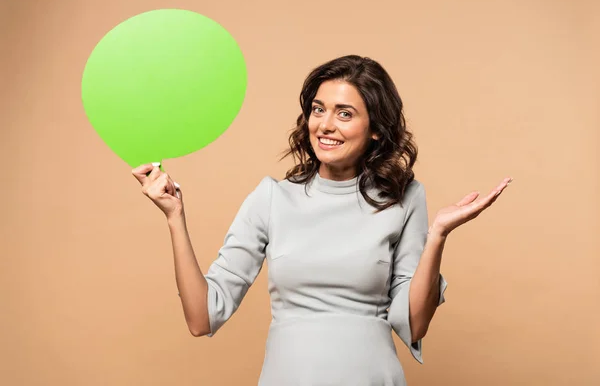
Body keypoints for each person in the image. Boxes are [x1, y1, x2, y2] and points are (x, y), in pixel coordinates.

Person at [131, 55, 512, 385]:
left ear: (376, 130)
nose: (325, 125)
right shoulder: (272, 198)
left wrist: (438, 236)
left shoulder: (406, 198)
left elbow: (413, 322)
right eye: (318, 109)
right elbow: (202, 317)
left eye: (344, 114)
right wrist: (175, 217)